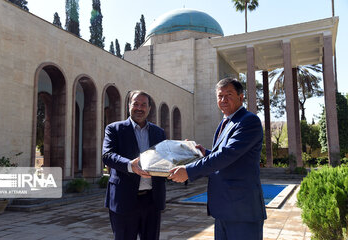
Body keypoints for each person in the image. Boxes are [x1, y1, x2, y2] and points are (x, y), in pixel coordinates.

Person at [168, 78, 267, 240]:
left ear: (241, 97)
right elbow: (225, 157)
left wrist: (188, 171)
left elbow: (226, 155)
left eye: (228, 95)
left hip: (242, 210)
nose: (223, 100)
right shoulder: (226, 122)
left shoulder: (248, 121)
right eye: (220, 96)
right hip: (224, 208)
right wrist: (203, 152)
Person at [102, 90, 166, 240]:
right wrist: (130, 165)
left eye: (144, 104)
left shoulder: (159, 132)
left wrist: (182, 155)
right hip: (124, 200)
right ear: (128, 106)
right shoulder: (114, 129)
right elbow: (107, 156)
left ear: (149, 108)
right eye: (135, 104)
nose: (139, 108)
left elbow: (165, 159)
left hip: (152, 200)